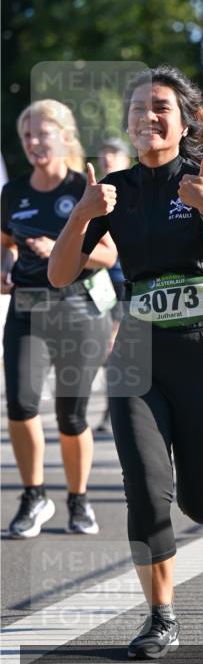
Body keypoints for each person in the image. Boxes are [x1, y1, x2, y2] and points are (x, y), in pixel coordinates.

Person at [48, 65, 203, 658]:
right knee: (144, 487)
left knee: (198, 499)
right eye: (137, 108)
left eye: (160, 106)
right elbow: (60, 274)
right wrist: (83, 215)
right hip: (136, 353)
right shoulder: (113, 189)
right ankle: (160, 617)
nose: (147, 117)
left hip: (202, 349)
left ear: (184, 119)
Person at [1, 100, 117, 538]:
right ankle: (34, 496)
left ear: (65, 137)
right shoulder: (13, 192)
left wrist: (63, 251)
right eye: (26, 136)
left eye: (41, 135)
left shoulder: (85, 188)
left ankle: (78, 500)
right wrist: (5, 266)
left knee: (72, 416)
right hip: (28, 307)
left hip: (77, 310)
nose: (33, 143)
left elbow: (110, 254)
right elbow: (6, 241)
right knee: (21, 406)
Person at [96, 137, 132, 433]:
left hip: (125, 281)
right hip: (98, 281)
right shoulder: (96, 194)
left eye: (113, 155)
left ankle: (117, 407)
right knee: (105, 347)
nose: (107, 160)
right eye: (104, 155)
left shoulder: (132, 191)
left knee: (114, 344)